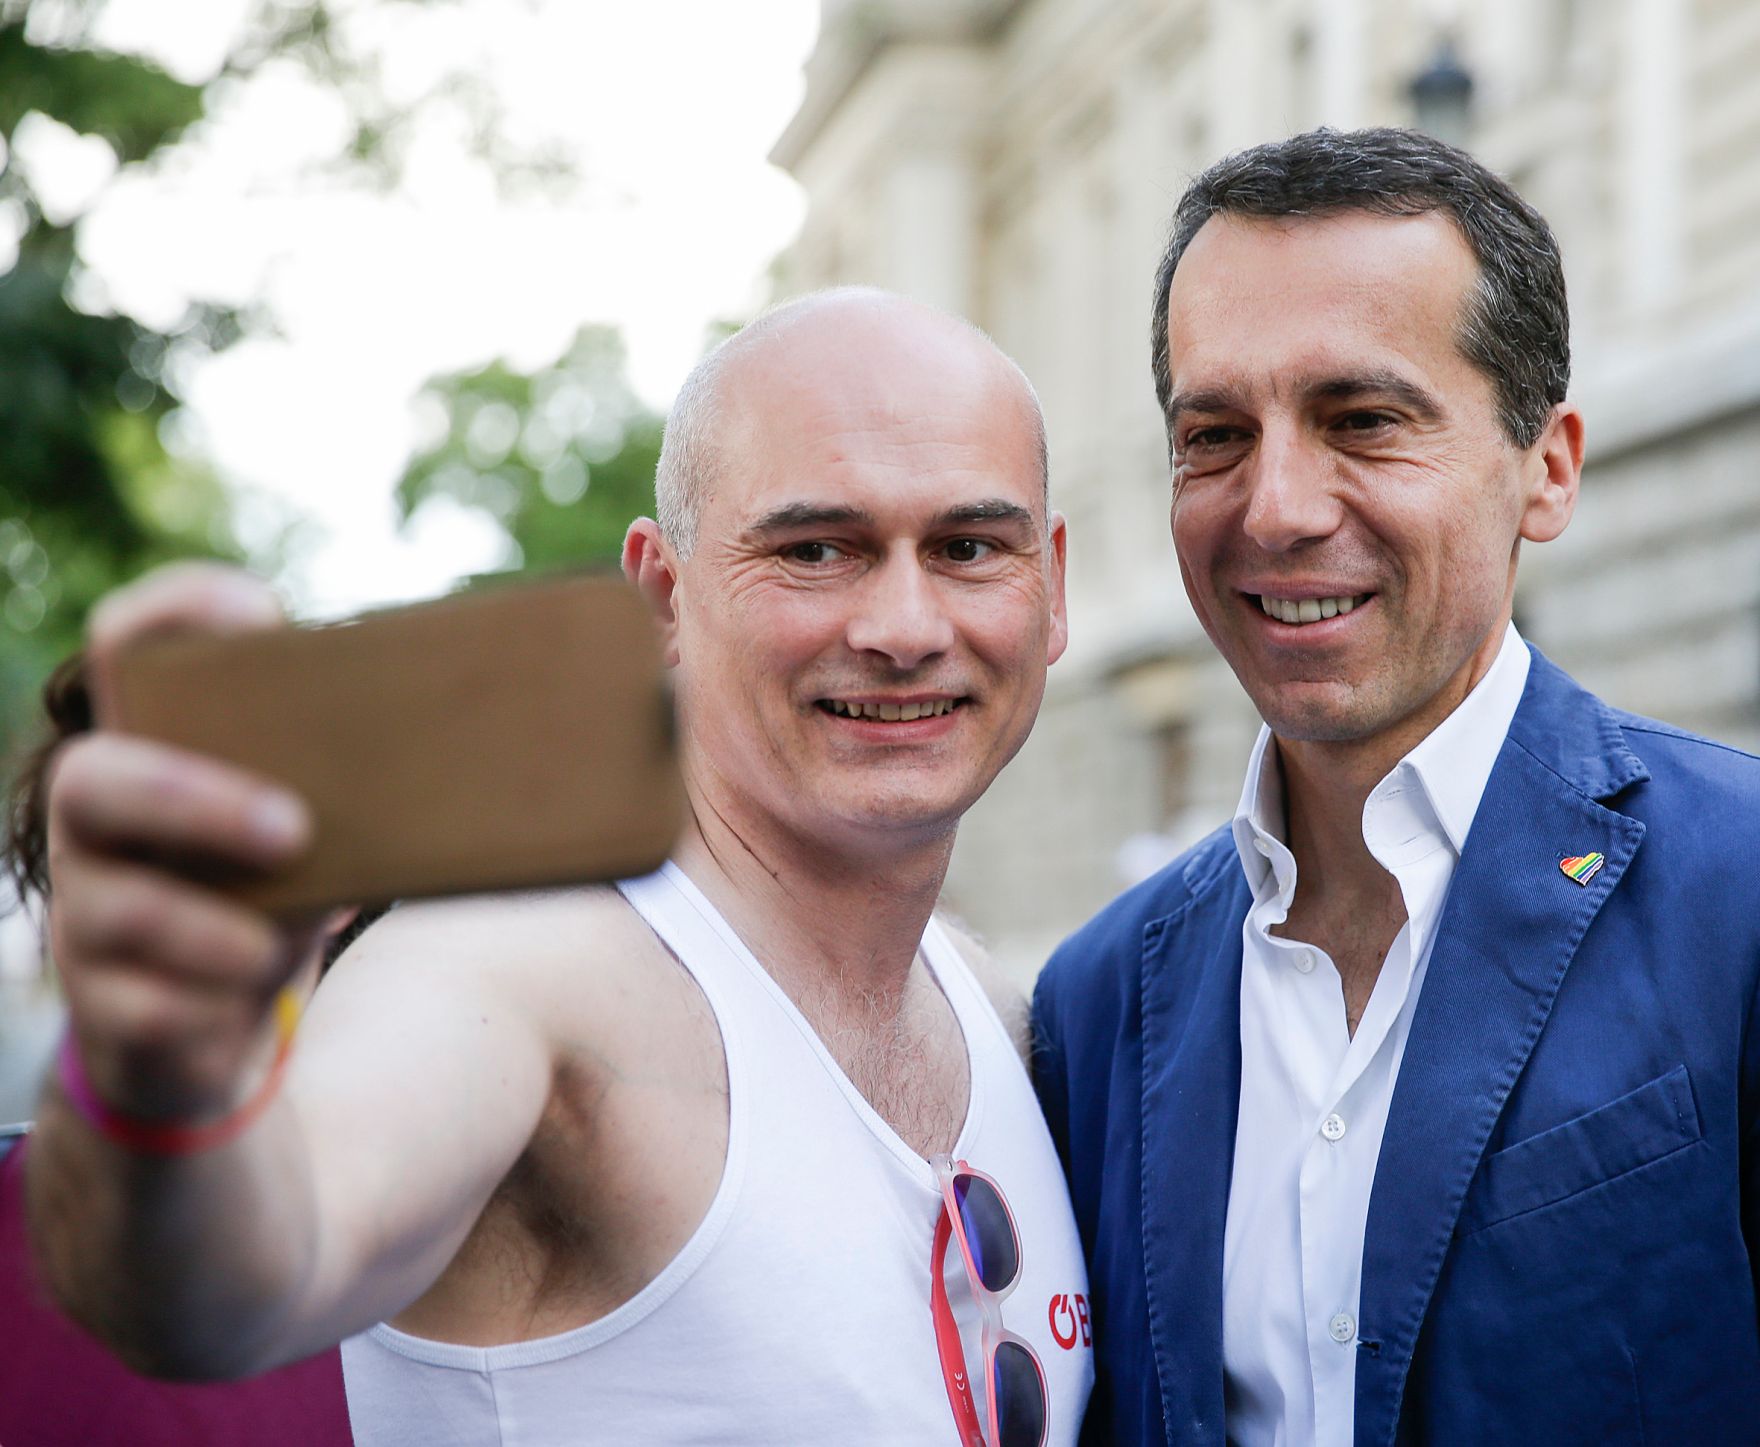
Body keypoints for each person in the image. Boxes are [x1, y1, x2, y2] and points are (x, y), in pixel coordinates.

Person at [21, 287, 1095, 1444]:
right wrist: (160, 1087)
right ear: (661, 595)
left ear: (1050, 587)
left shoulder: (990, 1006)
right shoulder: (520, 968)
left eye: (968, 547)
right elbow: (233, 1274)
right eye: (815, 550)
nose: (904, 627)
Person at [1032, 127, 1760, 1446]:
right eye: (1215, 435)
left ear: (1547, 467)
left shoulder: (1737, 888)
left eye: (1362, 420)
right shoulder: (1098, 1001)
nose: (1276, 507)